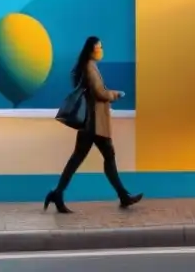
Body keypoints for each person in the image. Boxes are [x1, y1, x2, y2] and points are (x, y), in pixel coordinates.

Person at [44, 36, 143, 213]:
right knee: (105, 156)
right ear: (91, 50)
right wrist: (115, 94)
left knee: (80, 158)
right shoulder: (89, 67)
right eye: (99, 48)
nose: (101, 50)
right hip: (94, 123)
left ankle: (58, 193)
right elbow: (99, 93)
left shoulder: (87, 66)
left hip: (90, 123)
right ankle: (123, 196)